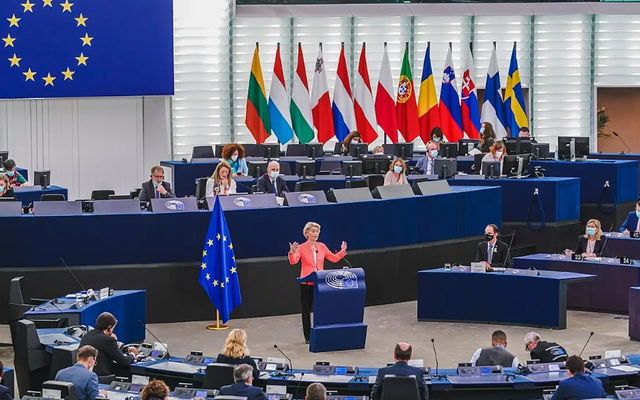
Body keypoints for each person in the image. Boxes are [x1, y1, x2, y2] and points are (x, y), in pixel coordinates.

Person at [289, 222, 347, 344]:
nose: (316, 233)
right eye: (313, 231)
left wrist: (342, 251)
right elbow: (294, 261)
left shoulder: (322, 246)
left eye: (317, 231)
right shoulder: (301, 248)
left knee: (322, 308)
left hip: (320, 283)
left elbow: (333, 258)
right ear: (307, 233)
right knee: (306, 310)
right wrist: (292, 253)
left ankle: (322, 332)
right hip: (307, 284)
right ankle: (308, 337)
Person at [78, 312, 138, 376]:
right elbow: (124, 361)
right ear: (109, 327)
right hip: (100, 376)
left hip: (83, 373)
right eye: (113, 328)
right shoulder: (108, 340)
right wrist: (133, 354)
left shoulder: (87, 335)